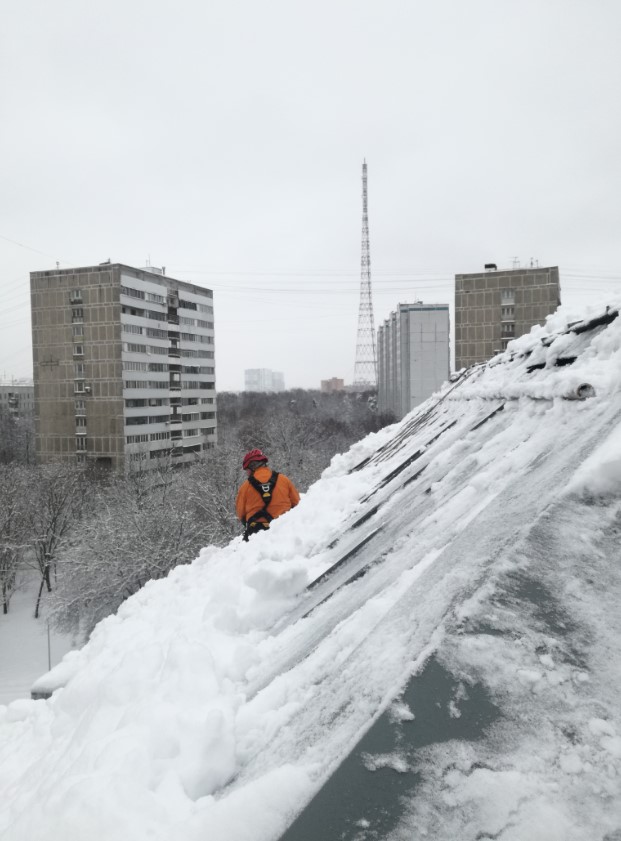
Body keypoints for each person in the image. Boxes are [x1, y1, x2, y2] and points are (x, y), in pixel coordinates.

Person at [236, 448, 300, 541]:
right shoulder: (284, 480)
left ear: (252, 466)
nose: (247, 473)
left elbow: (241, 514)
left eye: (247, 470)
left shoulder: (245, 487)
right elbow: (297, 503)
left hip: (256, 531)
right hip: (284, 529)